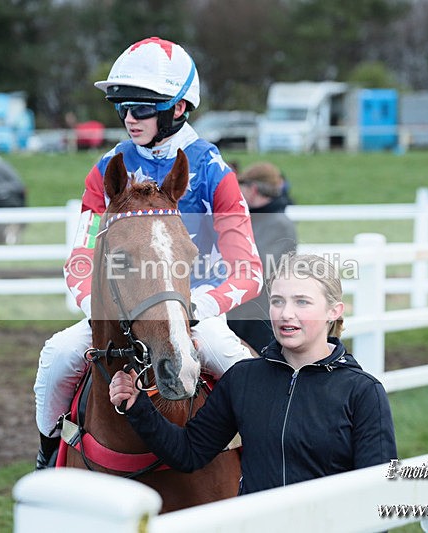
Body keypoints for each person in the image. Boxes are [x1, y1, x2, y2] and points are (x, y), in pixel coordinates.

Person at [33, 36, 263, 468]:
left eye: (142, 108)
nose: (129, 119)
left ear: (179, 108)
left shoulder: (215, 173)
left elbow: (249, 270)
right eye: (122, 108)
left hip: (195, 311)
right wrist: (97, 307)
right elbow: (81, 259)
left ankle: (263, 469)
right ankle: (48, 458)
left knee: (238, 367)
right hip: (120, 310)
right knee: (57, 356)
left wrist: (197, 307)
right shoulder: (105, 171)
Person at [109, 253, 397, 495]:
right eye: (278, 301)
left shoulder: (362, 392)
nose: (286, 314)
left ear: (334, 311)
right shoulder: (243, 379)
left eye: (302, 302)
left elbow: (377, 493)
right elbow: (189, 452)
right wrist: (138, 407)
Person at [227, 161, 297, 352]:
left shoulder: (280, 224)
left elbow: (262, 268)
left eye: (241, 187)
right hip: (240, 311)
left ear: (254, 189)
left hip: (258, 318)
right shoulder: (251, 219)